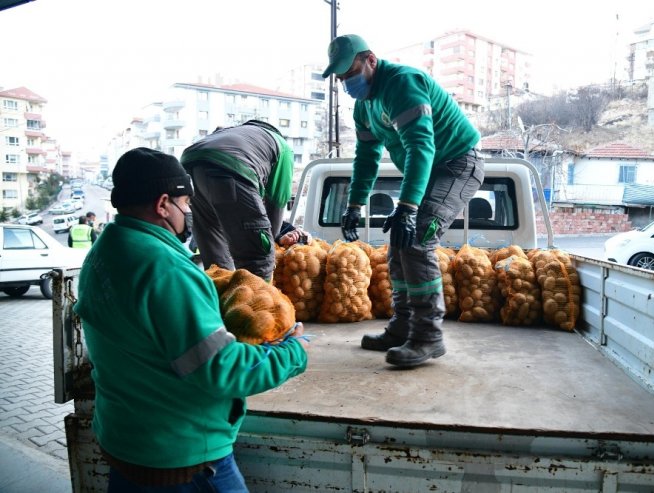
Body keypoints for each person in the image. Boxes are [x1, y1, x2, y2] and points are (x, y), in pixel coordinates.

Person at [73, 147, 309, 492]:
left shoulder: (103, 253)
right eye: (185, 204)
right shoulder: (165, 270)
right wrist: (293, 351)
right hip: (183, 458)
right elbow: (219, 368)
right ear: (162, 204)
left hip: (125, 443)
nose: (187, 213)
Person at [321, 34, 484, 368]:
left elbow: (420, 147)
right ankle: (403, 326)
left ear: (370, 59)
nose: (345, 82)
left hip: (457, 163)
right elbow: (366, 156)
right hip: (430, 168)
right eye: (340, 78)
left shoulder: (402, 85)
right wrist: (354, 204)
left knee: (418, 237)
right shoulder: (364, 106)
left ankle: (428, 336)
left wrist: (407, 208)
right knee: (399, 241)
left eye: (349, 73)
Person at [180, 120, 294, 281]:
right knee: (258, 258)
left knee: (217, 264)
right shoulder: (282, 147)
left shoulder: (237, 134)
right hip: (228, 167)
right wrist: (268, 240)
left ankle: (219, 302)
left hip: (189, 162)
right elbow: (277, 201)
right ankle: (257, 306)